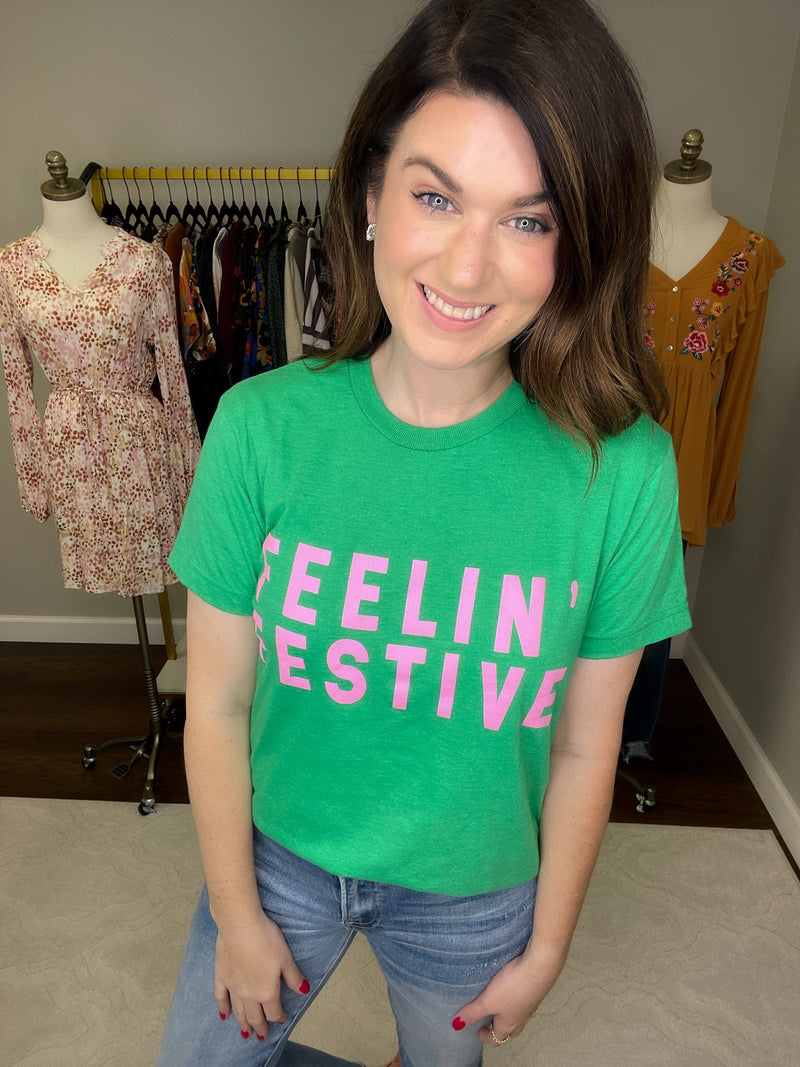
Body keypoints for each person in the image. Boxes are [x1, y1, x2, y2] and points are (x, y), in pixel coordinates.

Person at [157, 1, 691, 1064]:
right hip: (281, 859)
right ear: (370, 199)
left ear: (577, 246)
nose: (466, 265)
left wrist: (547, 945)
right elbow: (213, 701)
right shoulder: (261, 428)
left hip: (474, 892)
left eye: (528, 221)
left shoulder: (622, 470)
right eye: (435, 197)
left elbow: (586, 743)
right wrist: (237, 908)